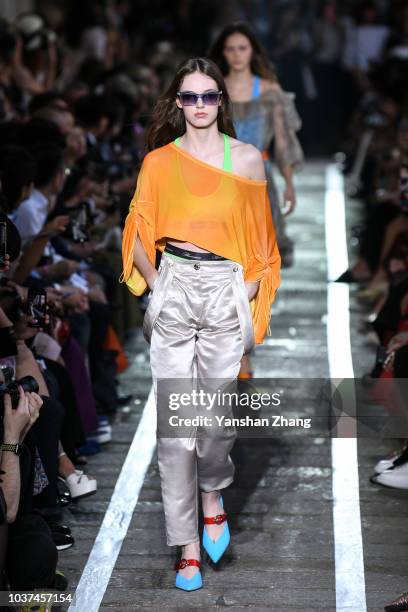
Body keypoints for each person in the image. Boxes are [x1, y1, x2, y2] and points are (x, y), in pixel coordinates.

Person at [120, 57, 281, 591]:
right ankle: (186, 543)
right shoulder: (158, 164)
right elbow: (139, 230)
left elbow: (262, 244)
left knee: (214, 426)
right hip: (175, 287)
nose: (200, 106)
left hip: (225, 289)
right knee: (176, 434)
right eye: (190, 97)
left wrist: (245, 291)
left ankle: (213, 493)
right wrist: (158, 282)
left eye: (209, 96)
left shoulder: (249, 161)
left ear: (221, 102)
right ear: (177, 103)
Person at [208, 22, 303, 378]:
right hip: (219, 187)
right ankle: (236, 351)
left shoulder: (271, 92)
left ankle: (242, 348)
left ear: (252, 53)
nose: (236, 55)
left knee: (254, 272)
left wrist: (290, 183)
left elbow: (283, 142)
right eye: (230, 49)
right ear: (223, 53)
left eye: (242, 49)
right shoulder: (213, 91)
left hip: (259, 187)